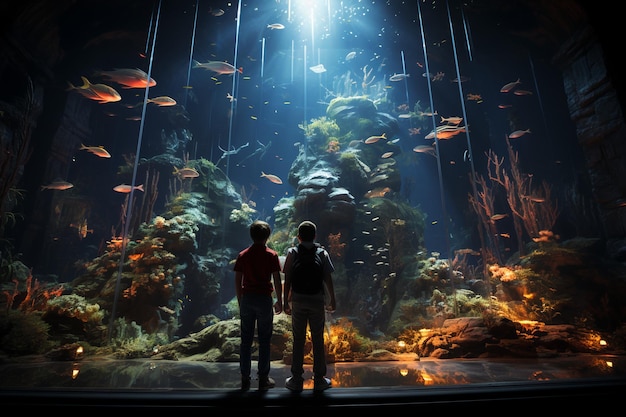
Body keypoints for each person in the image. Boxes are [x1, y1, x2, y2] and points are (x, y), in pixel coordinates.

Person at [282, 220, 336, 392]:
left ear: (298, 237)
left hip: (297, 300)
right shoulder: (322, 253)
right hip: (316, 300)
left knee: (298, 339)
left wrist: (285, 302)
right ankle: (319, 378)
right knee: (317, 338)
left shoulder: (292, 252)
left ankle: (296, 378)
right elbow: (328, 278)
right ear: (315, 236)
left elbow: (288, 279)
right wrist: (332, 299)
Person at [234, 220, 283, 391]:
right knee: (264, 339)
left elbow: (237, 280)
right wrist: (280, 300)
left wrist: (241, 300)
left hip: (248, 298)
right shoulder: (272, 255)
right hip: (264, 299)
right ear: (268, 236)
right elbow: (277, 279)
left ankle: (245, 376)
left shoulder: (243, 255)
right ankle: (263, 377)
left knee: (245, 339)